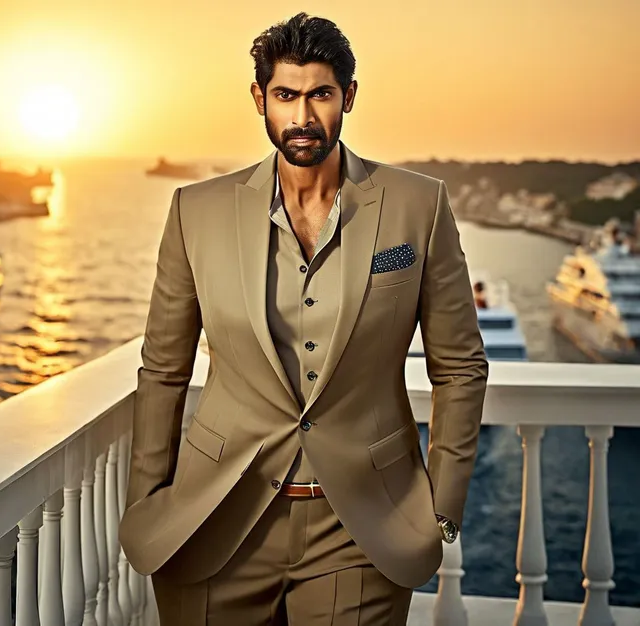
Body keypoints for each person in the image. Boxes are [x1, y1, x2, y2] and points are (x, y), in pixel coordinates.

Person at [119, 12, 488, 625]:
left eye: (321, 94)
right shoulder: (195, 211)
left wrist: (441, 508)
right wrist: (147, 501)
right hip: (215, 518)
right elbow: (163, 368)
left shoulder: (418, 206)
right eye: (286, 96)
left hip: (361, 530)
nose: (303, 117)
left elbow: (459, 366)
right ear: (260, 99)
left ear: (348, 96)